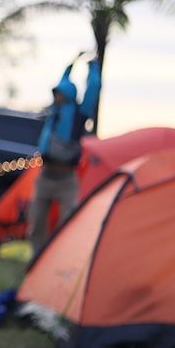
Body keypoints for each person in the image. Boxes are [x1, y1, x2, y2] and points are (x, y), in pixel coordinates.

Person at [27, 57, 101, 256]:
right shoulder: (54, 111)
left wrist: (93, 67)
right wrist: (70, 66)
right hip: (45, 176)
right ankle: (38, 259)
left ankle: (63, 259)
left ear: (67, 94)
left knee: (68, 222)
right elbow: (63, 80)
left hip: (66, 179)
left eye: (60, 93)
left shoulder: (79, 113)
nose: (57, 96)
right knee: (36, 223)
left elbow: (93, 90)